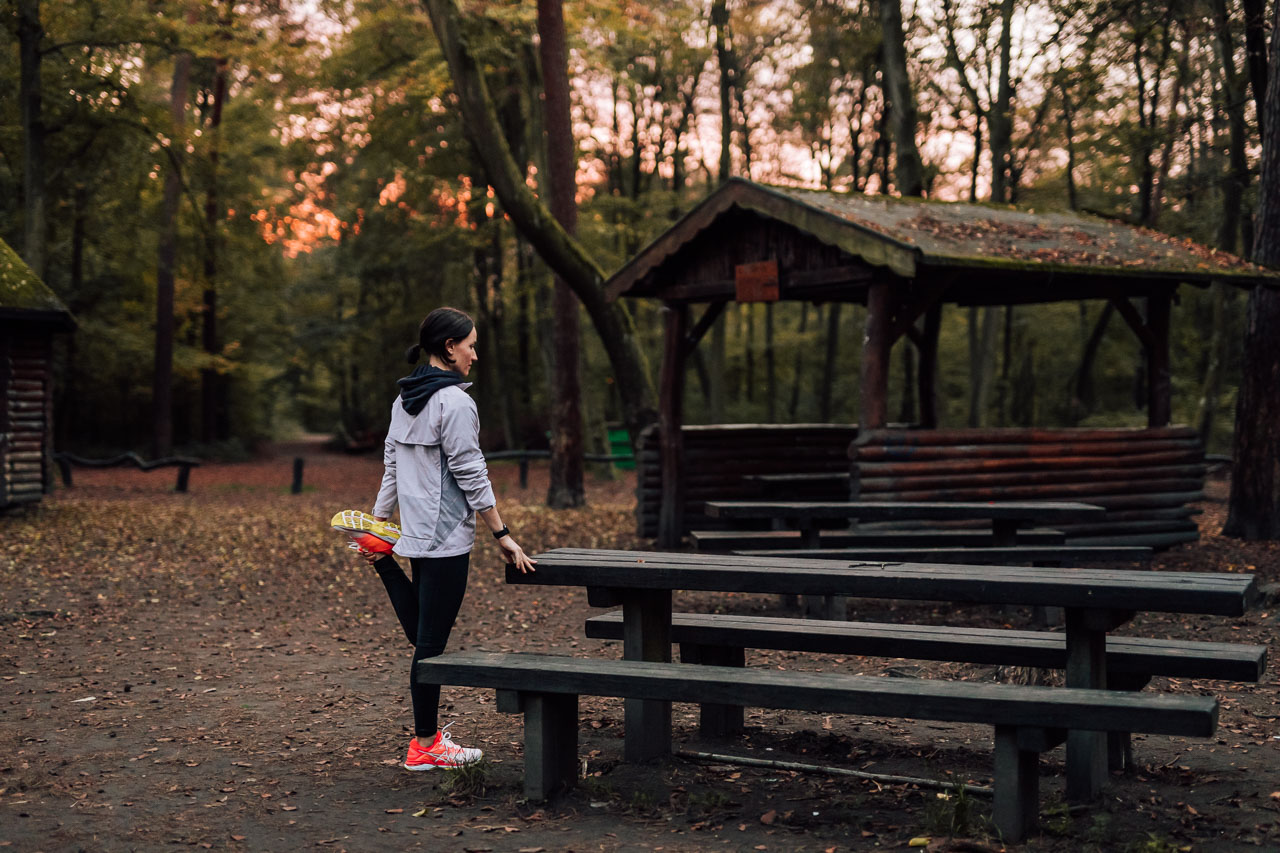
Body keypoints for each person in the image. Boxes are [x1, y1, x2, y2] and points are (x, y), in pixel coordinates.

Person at [331, 306, 535, 772]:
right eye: (470, 346)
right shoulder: (455, 403)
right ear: (449, 348)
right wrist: (501, 533)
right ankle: (425, 744)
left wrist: (379, 525)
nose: (475, 355)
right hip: (444, 539)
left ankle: (382, 559)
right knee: (430, 644)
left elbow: (392, 465)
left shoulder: (405, 399)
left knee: (424, 633)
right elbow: (471, 472)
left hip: (415, 532)